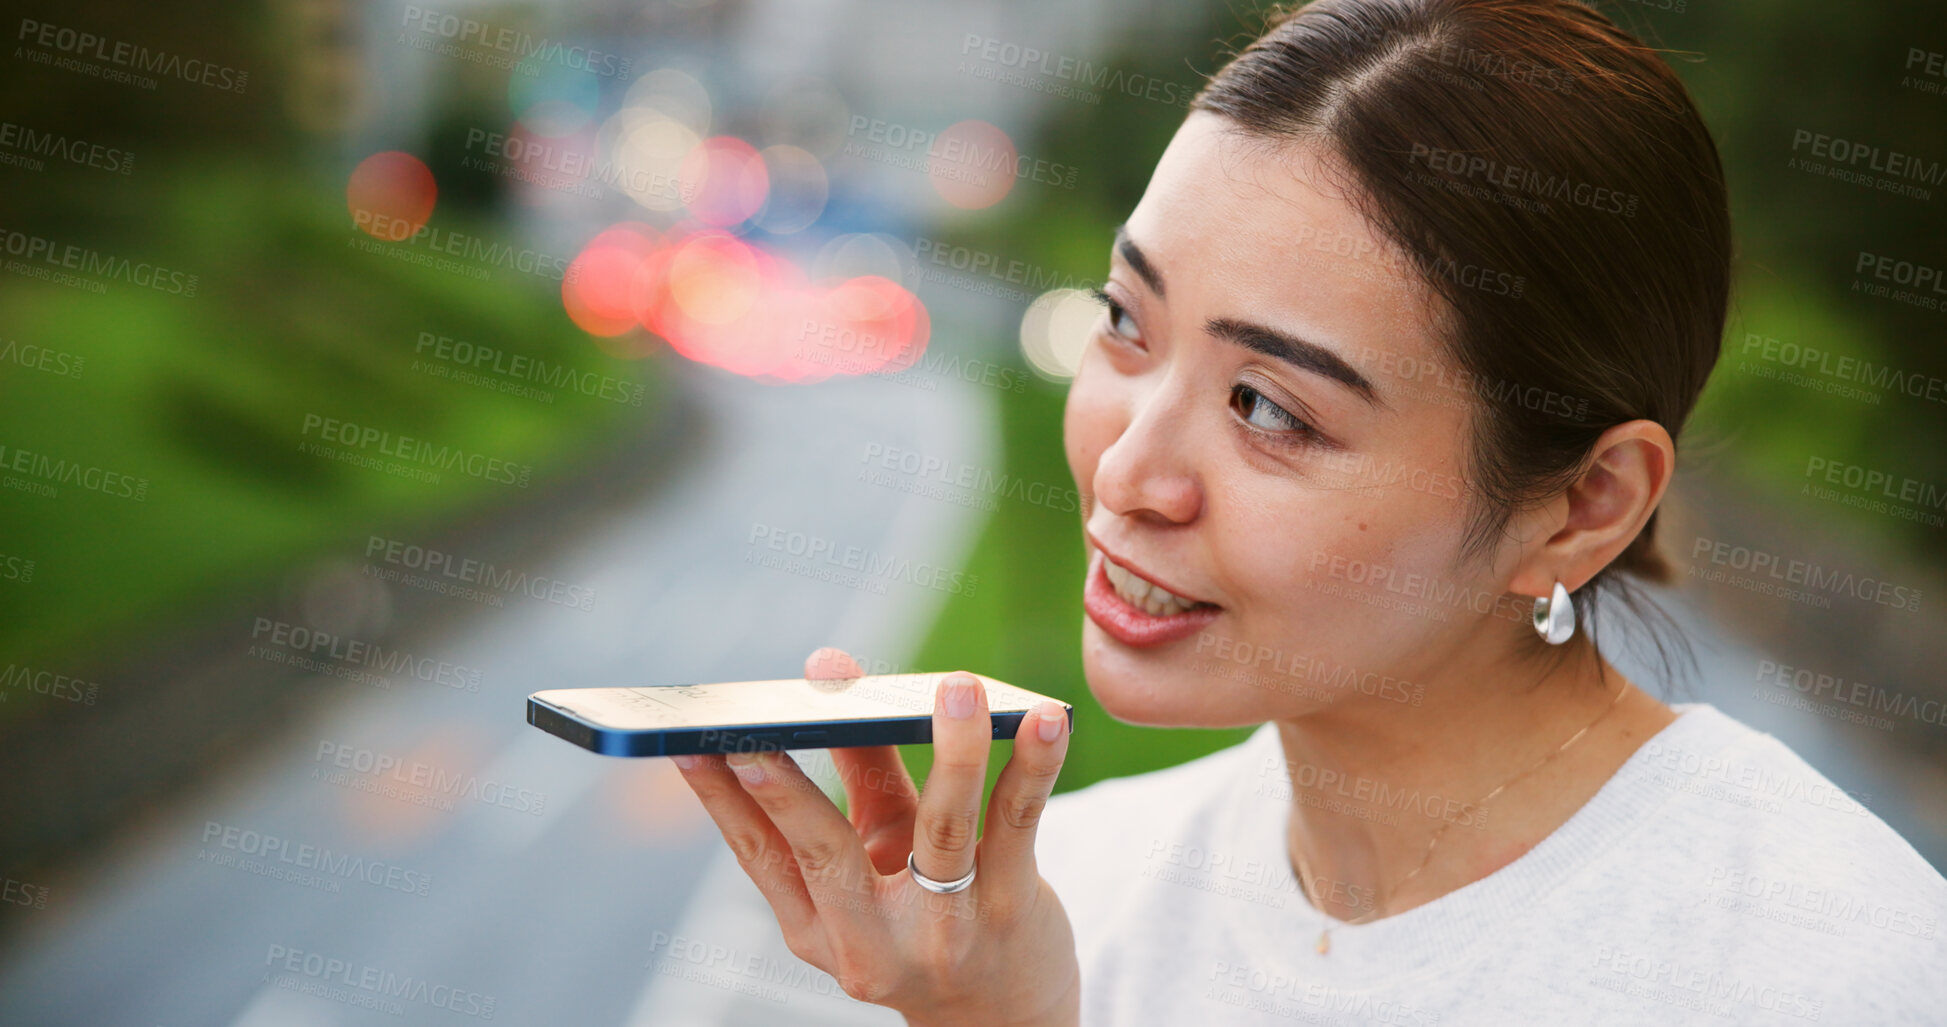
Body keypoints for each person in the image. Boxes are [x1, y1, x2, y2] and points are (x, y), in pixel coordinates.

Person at [673, 0, 1947, 1023]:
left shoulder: (1827, 967)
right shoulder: (1064, 908)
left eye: (1269, 409)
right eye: (1127, 324)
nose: (1127, 473)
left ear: (1581, 507)